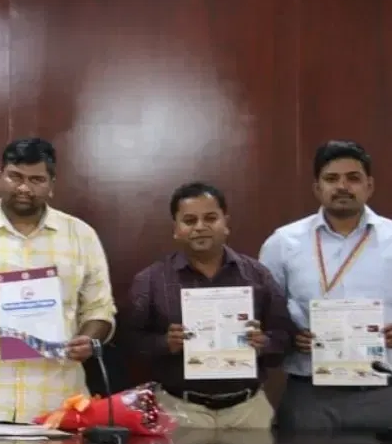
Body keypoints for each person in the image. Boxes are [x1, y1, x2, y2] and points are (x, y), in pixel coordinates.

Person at [261, 141, 392, 431]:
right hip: (309, 391)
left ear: (369, 186)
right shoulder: (282, 243)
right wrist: (293, 336)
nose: (342, 186)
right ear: (317, 188)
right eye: (332, 179)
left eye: (353, 178)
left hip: (381, 390)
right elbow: (268, 312)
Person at [0, 137, 115, 423]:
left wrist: (88, 341)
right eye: (15, 177)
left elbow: (100, 309)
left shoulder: (81, 236)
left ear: (51, 185)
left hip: (57, 401)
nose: (24, 188)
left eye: (36, 179)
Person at [123, 182, 293, 430]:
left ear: (225, 223)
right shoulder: (150, 280)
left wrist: (264, 343)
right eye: (189, 220)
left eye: (210, 218)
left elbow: (285, 336)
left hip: (248, 410)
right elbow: (130, 343)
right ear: (176, 229)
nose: (200, 227)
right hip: (178, 409)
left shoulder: (257, 275)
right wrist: (165, 343)